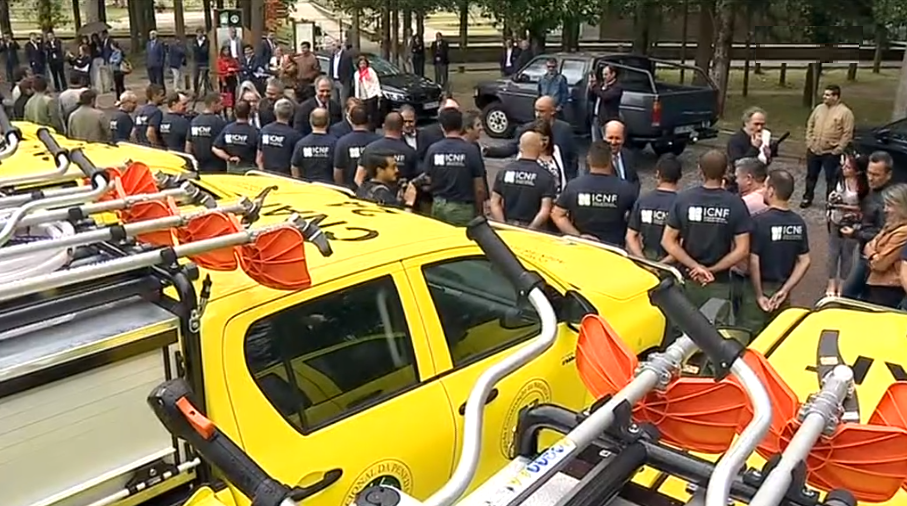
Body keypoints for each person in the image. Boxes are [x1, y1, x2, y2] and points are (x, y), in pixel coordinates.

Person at [661, 149, 752, 329]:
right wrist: (711, 269)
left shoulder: (684, 199)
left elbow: (667, 241)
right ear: (725, 172)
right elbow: (743, 249)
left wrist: (695, 266)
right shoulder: (735, 203)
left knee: (681, 332)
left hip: (686, 279)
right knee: (715, 336)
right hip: (719, 281)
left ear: (699, 170)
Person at [744, 169, 811, 334]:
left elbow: (754, 260)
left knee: (751, 336)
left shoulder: (759, 222)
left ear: (771, 191)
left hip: (758, 288)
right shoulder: (798, 222)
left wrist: (759, 294)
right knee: (777, 335)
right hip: (782, 290)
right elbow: (805, 260)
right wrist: (785, 290)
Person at [552, 140, 636, 245]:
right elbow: (636, 223)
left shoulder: (574, 186)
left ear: (588, 159)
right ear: (610, 160)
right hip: (613, 247)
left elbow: (557, 214)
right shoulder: (625, 188)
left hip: (581, 246)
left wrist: (577, 236)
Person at [484, 96, 577, 180]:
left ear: (552, 111)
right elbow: (513, 147)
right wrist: (490, 151)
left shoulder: (564, 129)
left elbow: (572, 157)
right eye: (536, 110)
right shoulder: (527, 128)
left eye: (542, 111)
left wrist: (570, 179)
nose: (537, 115)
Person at [841, 151, 894, 299]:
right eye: (869, 173)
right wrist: (857, 218)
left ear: (888, 175)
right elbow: (870, 218)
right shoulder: (873, 191)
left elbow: (884, 233)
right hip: (864, 248)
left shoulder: (889, 201)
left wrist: (854, 233)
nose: (871, 178)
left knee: (850, 294)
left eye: (876, 175)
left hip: (874, 255)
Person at [424, 107, 486, 225]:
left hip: (438, 206)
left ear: (442, 127)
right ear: (460, 124)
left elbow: (428, 179)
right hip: (462, 209)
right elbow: (479, 188)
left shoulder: (433, 149)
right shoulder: (471, 150)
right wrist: (479, 211)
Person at [802, 84, 855, 208]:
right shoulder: (819, 108)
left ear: (836, 96)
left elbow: (847, 133)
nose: (824, 97)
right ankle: (807, 197)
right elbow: (810, 124)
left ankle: (830, 202)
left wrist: (838, 149)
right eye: (824, 94)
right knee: (811, 176)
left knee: (831, 179)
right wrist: (809, 142)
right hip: (814, 150)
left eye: (827, 95)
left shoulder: (845, 113)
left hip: (831, 152)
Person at [490, 131, 556, 229]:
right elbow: (545, 210)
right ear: (540, 148)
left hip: (507, 223)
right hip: (533, 228)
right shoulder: (546, 177)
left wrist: (503, 224)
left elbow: (494, 202)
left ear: (520, 147)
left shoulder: (505, 171)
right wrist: (531, 228)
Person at [826, 153, 868, 297]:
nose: (844, 168)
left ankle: (842, 284)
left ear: (857, 170)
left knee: (847, 254)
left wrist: (846, 207)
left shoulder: (863, 186)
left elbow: (864, 208)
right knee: (833, 253)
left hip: (853, 224)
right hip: (835, 220)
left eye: (848, 167)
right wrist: (832, 199)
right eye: (844, 165)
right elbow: (830, 193)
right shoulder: (839, 177)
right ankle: (831, 283)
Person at [626, 154, 682, 261]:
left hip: (648, 257)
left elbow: (631, 236)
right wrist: (664, 263)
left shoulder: (643, 201)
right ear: (679, 176)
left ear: (657, 174)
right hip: (673, 263)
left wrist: (642, 259)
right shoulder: (682, 204)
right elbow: (683, 243)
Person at [860, 184, 907, 308]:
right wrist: (873, 254)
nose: (885, 210)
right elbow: (869, 245)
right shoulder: (890, 226)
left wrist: (871, 253)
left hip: (889, 289)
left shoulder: (903, 232)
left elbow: (881, 264)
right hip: (876, 283)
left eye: (890, 205)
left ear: (902, 206)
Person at [357, 112, 418, 186]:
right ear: (402, 127)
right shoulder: (410, 152)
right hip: (399, 195)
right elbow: (414, 181)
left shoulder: (370, 149)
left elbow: (358, 178)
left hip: (374, 195)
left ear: (384, 127)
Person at [332, 105, 379, 188]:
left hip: (350, 191)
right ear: (368, 119)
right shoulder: (378, 141)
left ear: (351, 120)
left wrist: (342, 188)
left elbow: (338, 171)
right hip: (374, 191)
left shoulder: (342, 142)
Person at [291, 108, 338, 182]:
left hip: (308, 188)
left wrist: (299, 184)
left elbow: (294, 166)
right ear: (328, 121)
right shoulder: (335, 144)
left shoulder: (301, 144)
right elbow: (338, 168)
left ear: (310, 121)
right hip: (330, 188)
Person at [257, 98, 302, 175]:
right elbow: (295, 164)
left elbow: (259, 159)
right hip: (285, 178)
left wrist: (262, 173)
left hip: (266, 176)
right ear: (291, 114)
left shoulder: (264, 131)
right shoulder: (295, 136)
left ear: (274, 112)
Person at [213, 100, 259, 173]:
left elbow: (215, 148)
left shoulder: (228, 129)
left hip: (232, 170)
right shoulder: (255, 132)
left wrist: (228, 158)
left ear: (234, 112)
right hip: (250, 171)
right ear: (249, 112)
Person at [188, 93, 228, 173]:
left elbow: (188, 145)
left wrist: (192, 162)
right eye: (221, 104)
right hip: (217, 166)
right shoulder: (219, 123)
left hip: (199, 165)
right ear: (213, 104)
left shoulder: (194, 121)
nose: (223, 107)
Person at [602, 120, 640, 195]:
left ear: (624, 139)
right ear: (604, 138)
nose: (613, 142)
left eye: (617, 138)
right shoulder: (597, 159)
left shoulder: (628, 155)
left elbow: (634, 180)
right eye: (610, 138)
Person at [530, 118, 567, 195]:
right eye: (538, 140)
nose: (542, 143)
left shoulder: (556, 150)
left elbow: (562, 175)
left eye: (544, 140)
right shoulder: (526, 152)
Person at [587, 64, 622, 142]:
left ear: (613, 74)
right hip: (596, 118)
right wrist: (591, 87)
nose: (604, 77)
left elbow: (605, 96)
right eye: (603, 74)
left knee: (607, 142)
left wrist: (595, 87)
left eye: (606, 74)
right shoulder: (602, 85)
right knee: (596, 142)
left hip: (607, 119)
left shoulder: (617, 87)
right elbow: (592, 98)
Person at [354, 56, 381, 131]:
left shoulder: (370, 71)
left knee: (372, 114)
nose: (362, 65)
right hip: (363, 96)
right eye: (361, 64)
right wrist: (357, 97)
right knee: (364, 113)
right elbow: (357, 86)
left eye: (364, 63)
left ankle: (372, 128)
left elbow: (376, 82)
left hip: (372, 94)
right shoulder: (357, 74)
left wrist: (379, 93)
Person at [216, 46, 240, 114]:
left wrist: (233, 69)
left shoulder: (232, 59)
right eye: (225, 50)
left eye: (227, 50)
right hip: (224, 78)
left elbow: (238, 67)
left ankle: (233, 110)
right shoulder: (220, 59)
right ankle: (224, 111)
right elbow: (219, 71)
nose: (226, 52)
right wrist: (223, 81)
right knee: (224, 95)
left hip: (232, 78)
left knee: (232, 94)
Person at [329, 41, 354, 105]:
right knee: (334, 101)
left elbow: (351, 70)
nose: (331, 47)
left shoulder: (346, 56)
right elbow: (331, 68)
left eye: (333, 45)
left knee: (343, 102)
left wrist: (347, 81)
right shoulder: (332, 56)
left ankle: (344, 115)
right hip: (334, 81)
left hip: (343, 82)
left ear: (337, 47)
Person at [192, 28, 210, 96]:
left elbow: (205, 50)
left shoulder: (206, 41)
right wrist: (199, 49)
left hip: (204, 61)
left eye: (201, 33)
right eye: (198, 33)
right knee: (195, 77)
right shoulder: (194, 40)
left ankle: (206, 92)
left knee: (205, 77)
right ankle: (195, 92)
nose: (199, 34)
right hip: (196, 61)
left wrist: (199, 49)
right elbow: (194, 49)